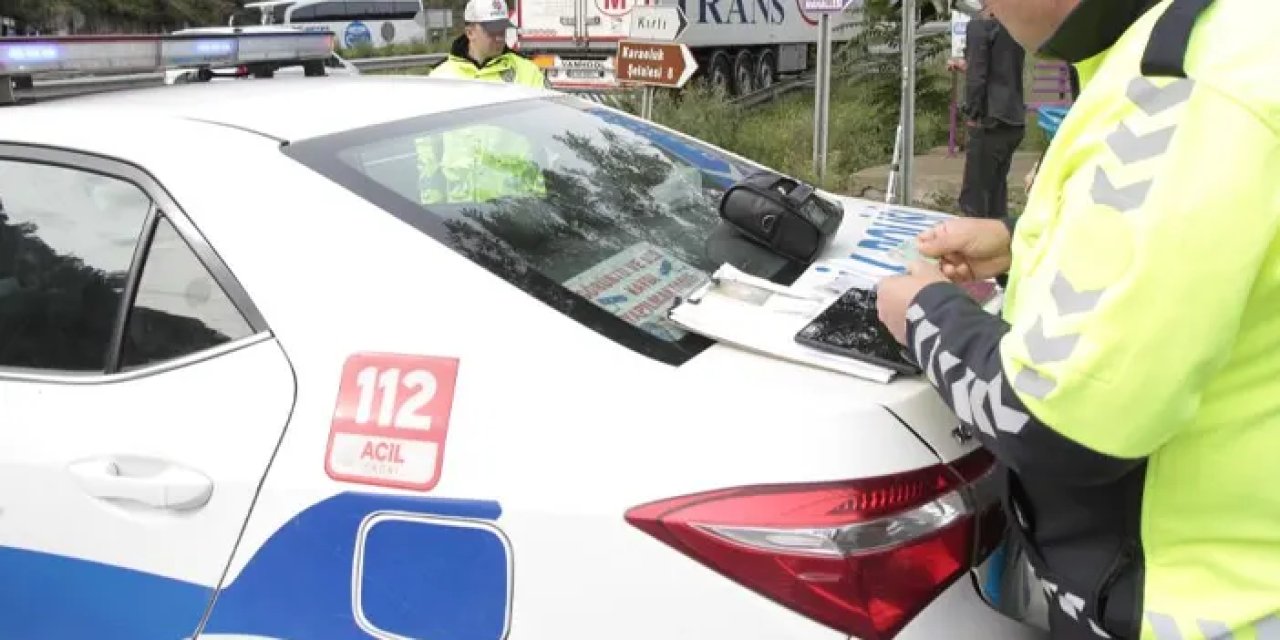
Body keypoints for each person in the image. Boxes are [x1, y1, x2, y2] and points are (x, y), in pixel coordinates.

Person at [875, 0, 1280, 638]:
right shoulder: (1228, 39)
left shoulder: (1192, 83)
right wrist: (1024, 245)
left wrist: (925, 314)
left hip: (1198, 609)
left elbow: (1059, 425)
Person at [417, 0, 550, 205]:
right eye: (491, 31)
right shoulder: (440, 78)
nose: (499, 37)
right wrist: (432, 200)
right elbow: (427, 148)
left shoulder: (526, 73)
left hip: (516, 203)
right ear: (470, 32)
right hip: (461, 206)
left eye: (502, 30)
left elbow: (548, 135)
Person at [957, 11, 1026, 220]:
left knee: (975, 197)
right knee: (996, 193)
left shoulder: (981, 24)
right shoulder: (1014, 23)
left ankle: (973, 247)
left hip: (989, 119)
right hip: (1013, 116)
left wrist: (973, 112)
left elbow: (977, 77)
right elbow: (1002, 65)